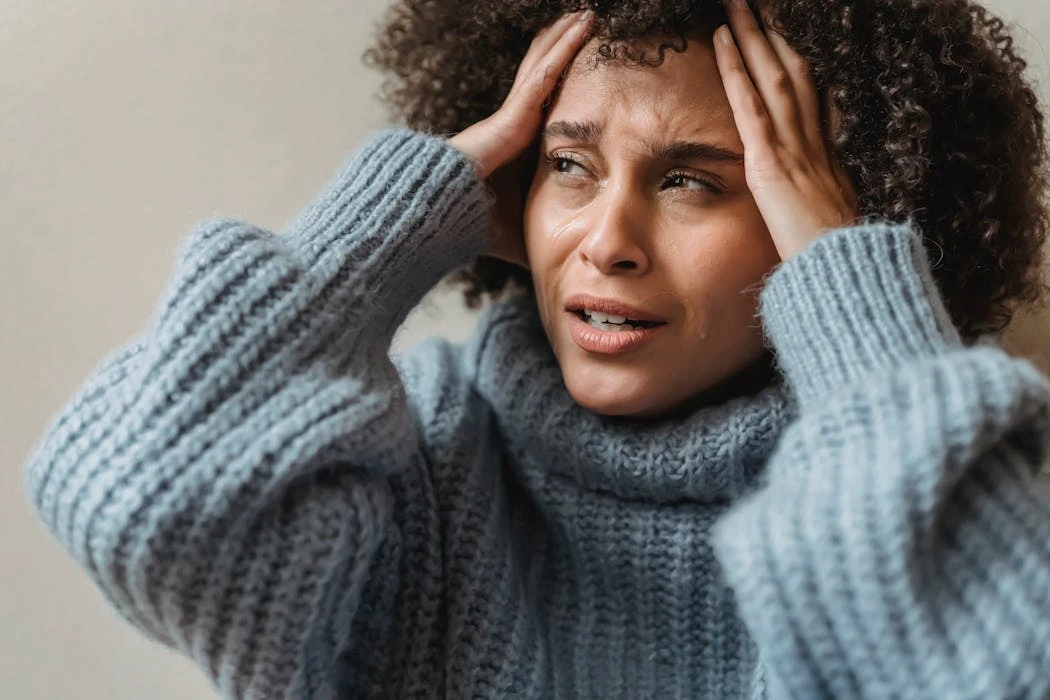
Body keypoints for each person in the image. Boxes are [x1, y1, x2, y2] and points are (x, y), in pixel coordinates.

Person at [23, 0, 1050, 697]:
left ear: (821, 215)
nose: (606, 240)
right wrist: (386, 224)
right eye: (569, 165)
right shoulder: (419, 454)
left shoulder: (945, 486)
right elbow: (134, 507)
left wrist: (853, 306)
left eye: (693, 179)